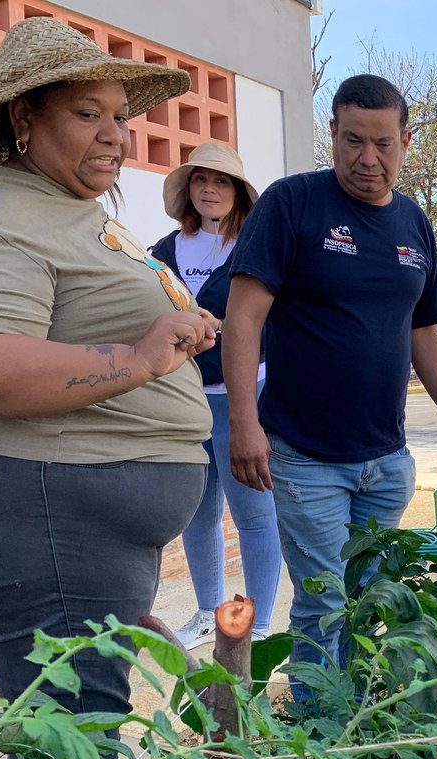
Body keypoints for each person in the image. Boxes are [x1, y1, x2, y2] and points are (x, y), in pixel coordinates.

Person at [0, 17, 216, 719]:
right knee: (71, 755)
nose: (115, 136)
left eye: (121, 117)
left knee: (78, 736)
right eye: (87, 114)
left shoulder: (65, 205)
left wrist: (175, 335)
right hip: (44, 514)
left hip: (78, 517)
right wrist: (134, 357)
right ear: (24, 118)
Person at [222, 74, 437, 701]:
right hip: (305, 459)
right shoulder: (292, 204)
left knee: (369, 600)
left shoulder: (413, 220)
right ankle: (317, 728)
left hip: (385, 460)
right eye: (354, 140)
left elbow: (422, 328)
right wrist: (246, 425)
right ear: (331, 132)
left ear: (405, 142)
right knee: (323, 601)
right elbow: (243, 318)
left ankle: (355, 709)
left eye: (384, 144)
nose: (368, 159)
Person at [152, 142, 282, 649]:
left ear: (238, 193)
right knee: (196, 512)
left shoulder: (255, 245)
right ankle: (207, 612)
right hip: (185, 398)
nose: (209, 189)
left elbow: (272, 316)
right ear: (189, 190)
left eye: (221, 181)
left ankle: (261, 621)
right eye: (201, 180)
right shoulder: (162, 252)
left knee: (253, 512)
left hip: (244, 395)